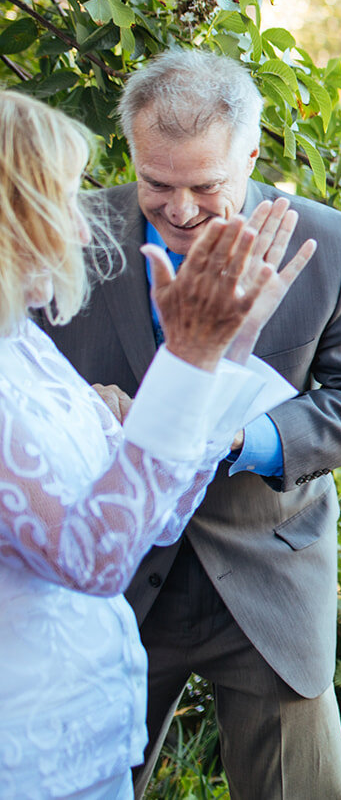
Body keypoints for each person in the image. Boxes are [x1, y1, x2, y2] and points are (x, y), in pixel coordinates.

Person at [42, 49, 341, 800]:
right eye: (156, 184)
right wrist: (85, 407)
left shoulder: (331, 244)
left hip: (265, 577)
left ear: (252, 153)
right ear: (132, 152)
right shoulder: (72, 234)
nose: (179, 210)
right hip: (112, 573)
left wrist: (246, 437)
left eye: (206, 186)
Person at [0, 89, 313, 800]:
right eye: (61, 199)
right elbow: (95, 557)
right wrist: (188, 363)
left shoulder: (24, 349)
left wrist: (225, 358)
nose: (83, 230)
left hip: (85, 735)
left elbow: (151, 515)